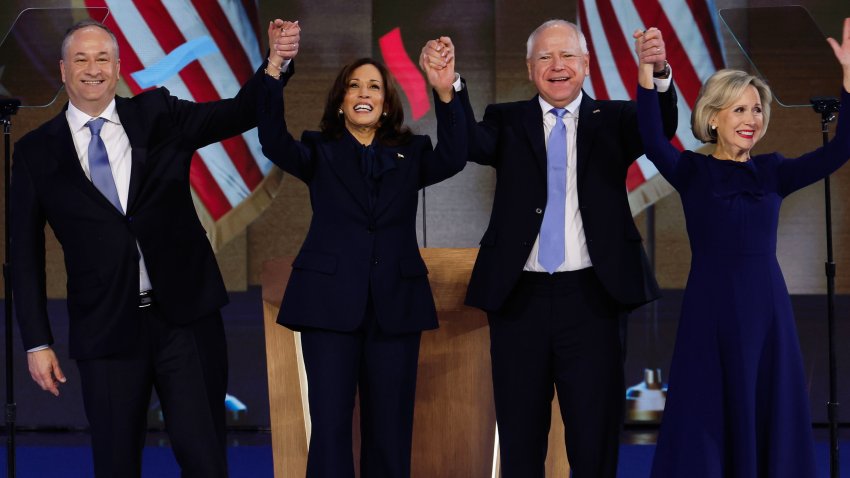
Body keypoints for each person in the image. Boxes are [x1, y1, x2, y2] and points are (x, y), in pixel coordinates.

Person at [10, 18, 299, 477]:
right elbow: (23, 257)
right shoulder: (34, 152)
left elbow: (239, 113)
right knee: (115, 465)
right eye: (80, 59)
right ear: (62, 70)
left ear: (119, 67)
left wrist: (275, 63)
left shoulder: (158, 114)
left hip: (184, 320)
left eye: (103, 58)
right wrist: (37, 341)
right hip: (106, 329)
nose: (92, 68)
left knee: (205, 459)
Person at [421, 20, 678, 477]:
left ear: (585, 63)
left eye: (567, 57)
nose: (556, 66)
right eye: (544, 57)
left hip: (594, 297)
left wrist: (657, 72)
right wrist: (448, 91)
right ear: (528, 67)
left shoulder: (617, 120)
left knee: (594, 435)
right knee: (520, 437)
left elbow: (662, 128)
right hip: (520, 299)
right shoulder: (507, 119)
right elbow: (467, 146)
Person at [635, 17, 850, 478]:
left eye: (756, 110)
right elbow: (653, 140)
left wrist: (849, 83)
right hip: (709, 308)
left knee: (766, 401)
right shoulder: (692, 171)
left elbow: (840, 149)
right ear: (713, 116)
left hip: (765, 308)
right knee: (707, 408)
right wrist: (647, 74)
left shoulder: (773, 171)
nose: (751, 120)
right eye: (739, 110)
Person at [256, 40, 467, 477]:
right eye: (354, 86)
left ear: (387, 104)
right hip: (328, 306)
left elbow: (456, 154)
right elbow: (273, 140)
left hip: (396, 306)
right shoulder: (319, 151)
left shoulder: (412, 154)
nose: (364, 93)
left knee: (390, 429)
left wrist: (446, 92)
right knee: (330, 428)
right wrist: (276, 68)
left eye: (374, 86)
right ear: (340, 102)